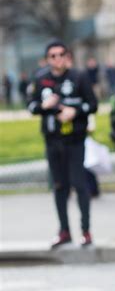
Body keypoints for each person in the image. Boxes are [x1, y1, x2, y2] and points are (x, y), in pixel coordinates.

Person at [28, 40, 98, 247]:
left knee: (79, 184)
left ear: (67, 57)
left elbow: (92, 105)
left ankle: (86, 230)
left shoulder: (79, 77)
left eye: (61, 55)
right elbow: (31, 106)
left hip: (75, 140)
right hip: (52, 140)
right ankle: (64, 231)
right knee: (59, 186)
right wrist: (43, 106)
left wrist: (74, 112)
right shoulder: (41, 79)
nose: (57, 59)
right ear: (47, 59)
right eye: (53, 56)